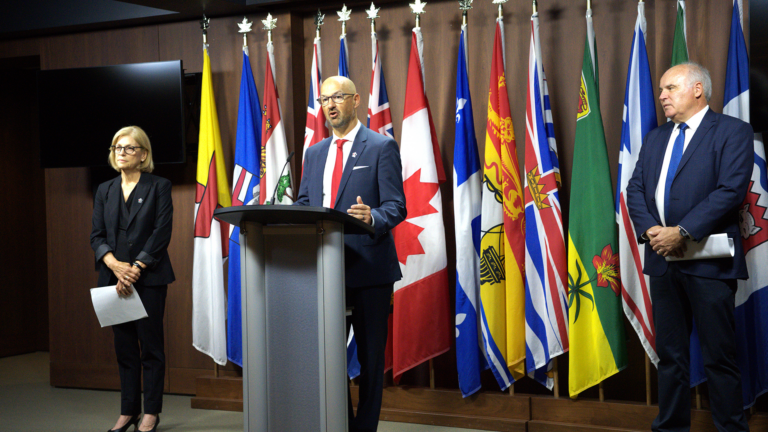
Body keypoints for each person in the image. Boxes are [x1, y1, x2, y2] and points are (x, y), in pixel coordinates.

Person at [627, 62, 752, 431]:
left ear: (697, 89)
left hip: (710, 263)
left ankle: (730, 428)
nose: (662, 95)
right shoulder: (655, 138)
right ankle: (670, 428)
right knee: (671, 357)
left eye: (670, 88)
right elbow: (635, 190)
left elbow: (730, 191)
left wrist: (680, 230)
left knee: (719, 358)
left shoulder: (732, 132)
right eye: (661, 89)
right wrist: (653, 230)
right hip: (664, 262)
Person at [294, 76, 406, 432]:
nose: (330, 104)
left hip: (369, 269)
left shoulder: (380, 146)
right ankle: (341, 423)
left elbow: (397, 206)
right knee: (327, 357)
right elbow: (304, 204)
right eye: (324, 98)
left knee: (371, 360)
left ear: (355, 100)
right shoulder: (314, 153)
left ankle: (365, 429)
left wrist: (373, 216)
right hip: (324, 271)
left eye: (337, 97)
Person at [91, 126, 175, 432]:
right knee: (124, 348)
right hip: (113, 279)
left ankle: (151, 412)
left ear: (143, 154)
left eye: (128, 148)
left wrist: (136, 267)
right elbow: (97, 236)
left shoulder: (159, 186)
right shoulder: (105, 189)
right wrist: (115, 265)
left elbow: (161, 232)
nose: (121, 153)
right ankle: (128, 411)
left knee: (150, 347)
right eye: (116, 148)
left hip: (149, 277)